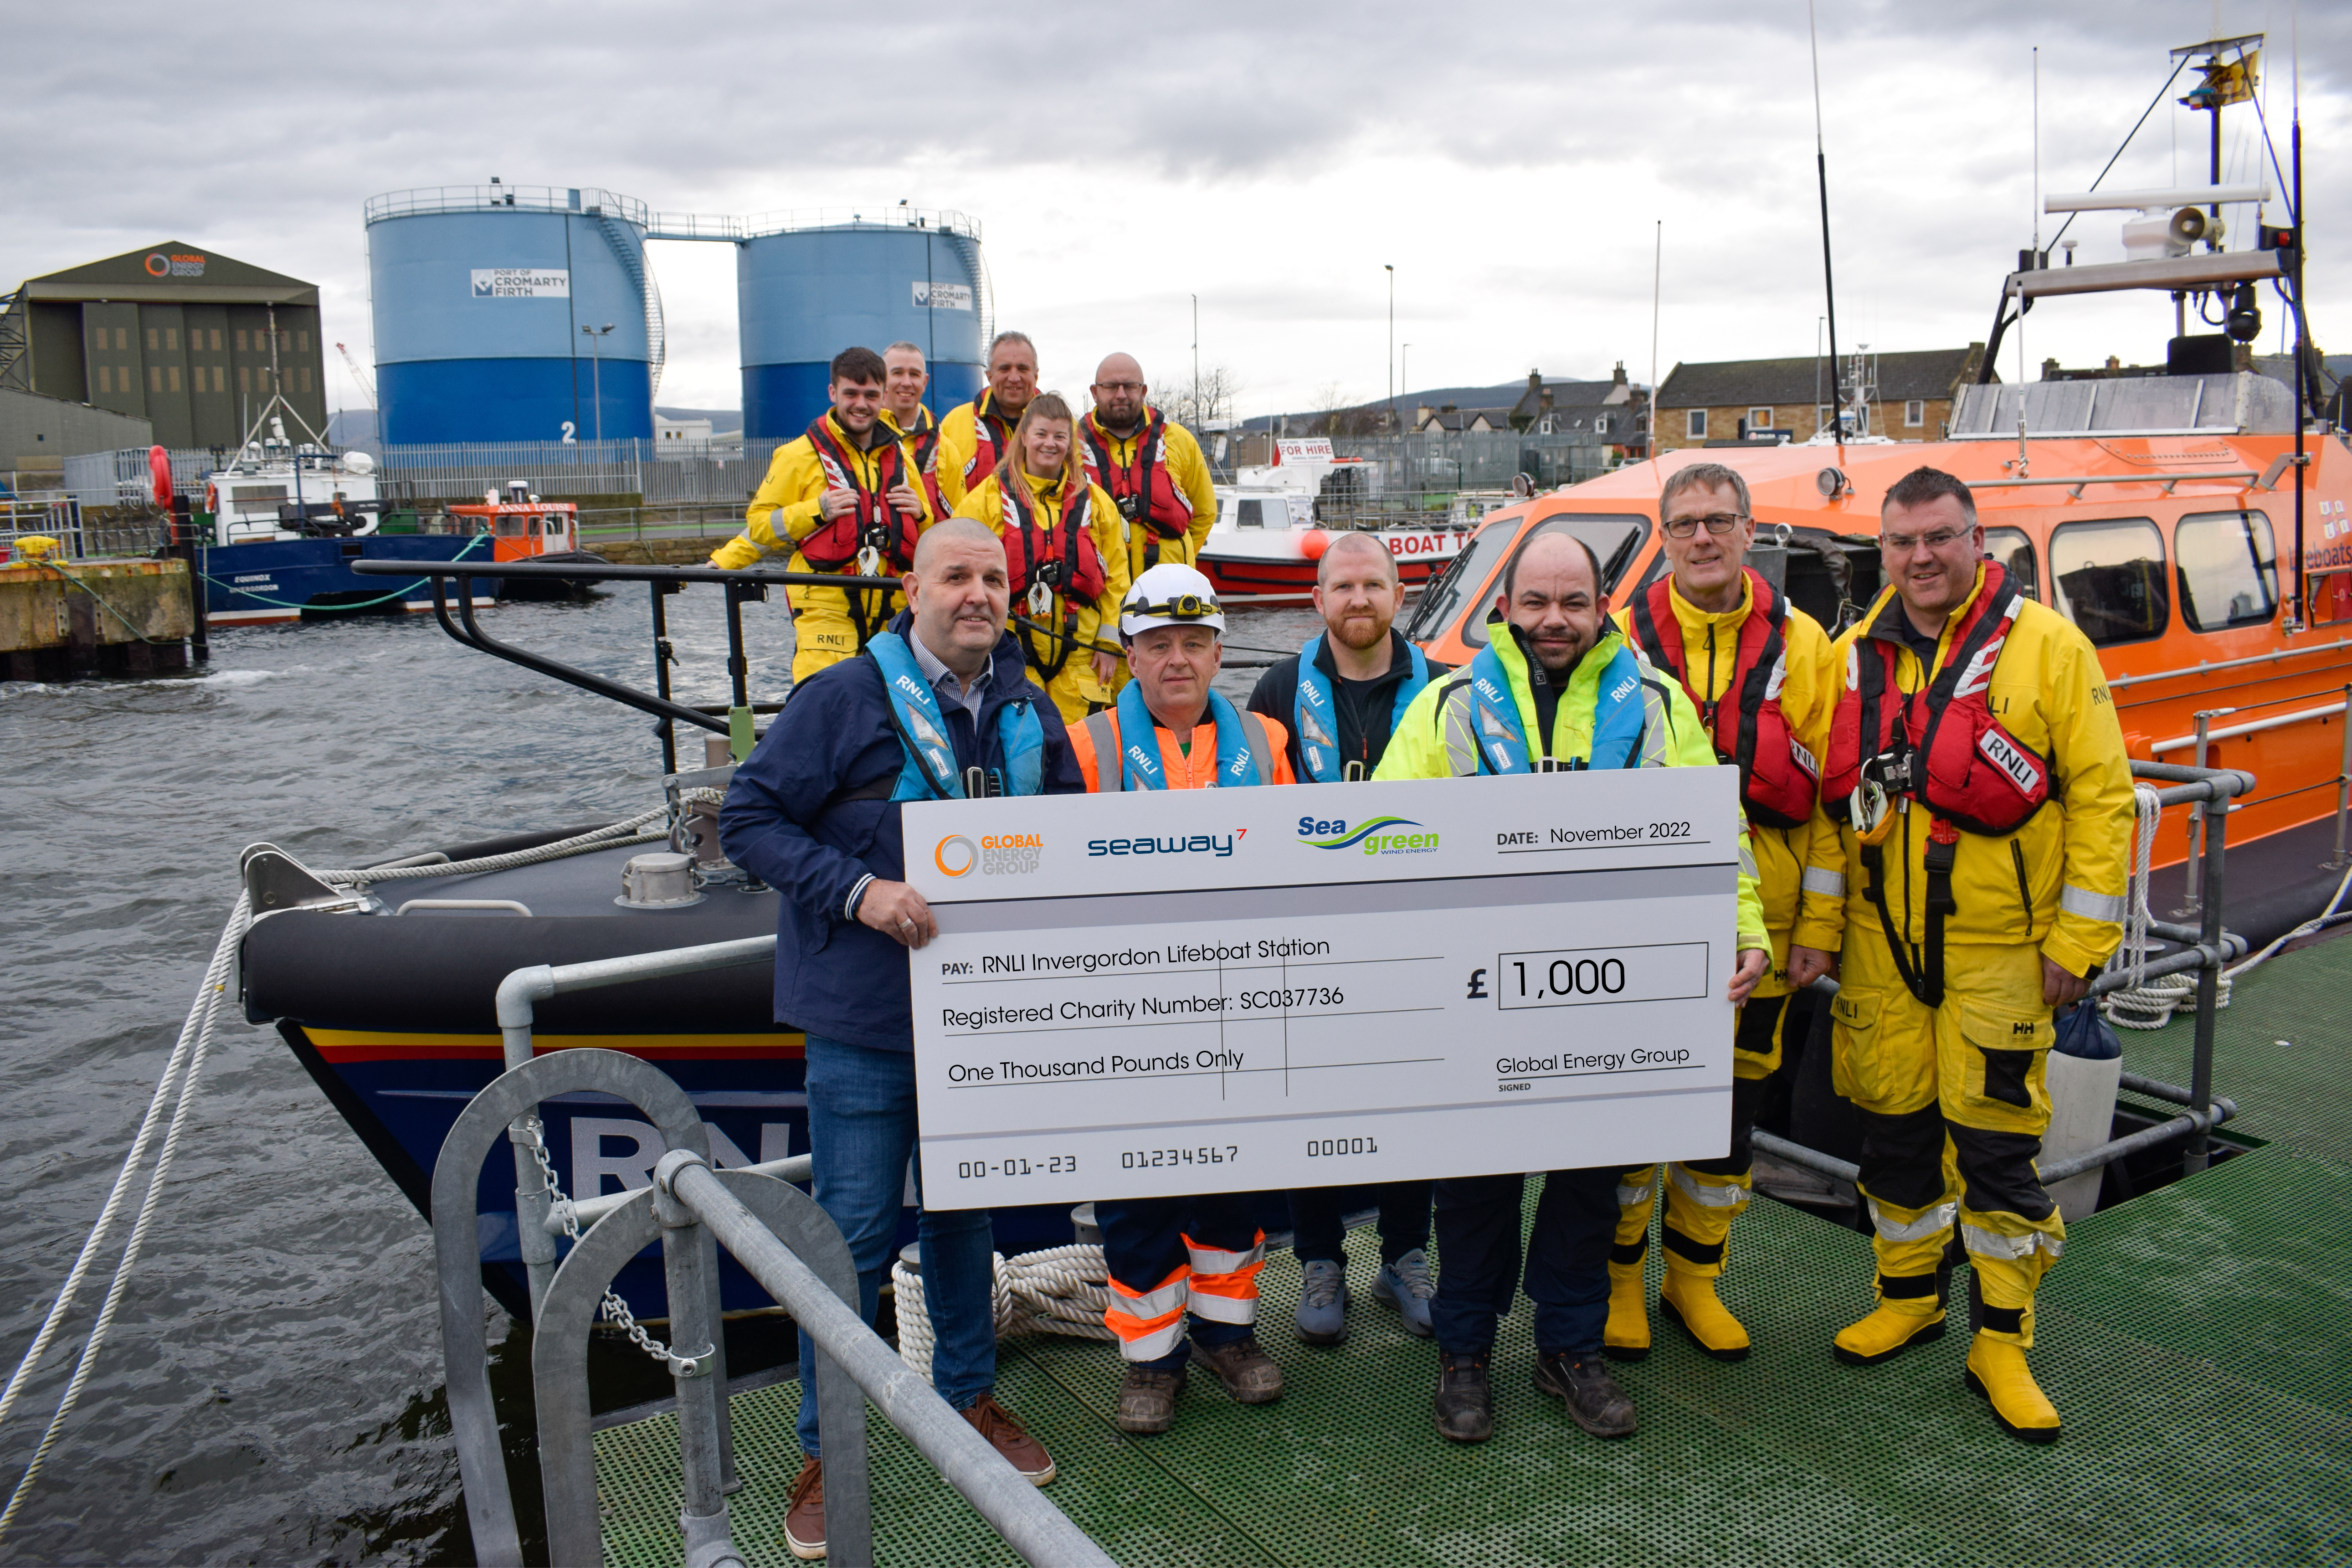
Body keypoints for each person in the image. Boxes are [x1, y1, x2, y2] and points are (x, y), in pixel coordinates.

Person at [719, 517, 1082, 1558]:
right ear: (910, 588)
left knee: (966, 1219)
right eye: (956, 576)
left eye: (994, 578)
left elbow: (1066, 833)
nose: (978, 593)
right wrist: (858, 886)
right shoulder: (839, 700)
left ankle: (966, 1397)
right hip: (866, 1020)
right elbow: (747, 818)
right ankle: (825, 1442)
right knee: (854, 1233)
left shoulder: (1025, 703)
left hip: (981, 1017)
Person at [1375, 530, 1769, 1445]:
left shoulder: (1662, 707)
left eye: (1574, 602)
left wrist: (1744, 928)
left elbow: (1720, 830)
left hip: (1611, 996)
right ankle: (1464, 1354)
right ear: (1503, 608)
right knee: (1472, 1182)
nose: (1555, 620)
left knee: (1589, 1178)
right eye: (1537, 602)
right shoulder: (1446, 708)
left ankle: (1569, 1347)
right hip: (1477, 993)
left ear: (1602, 609)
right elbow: (1385, 838)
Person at [1789, 466, 2131, 1444]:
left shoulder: (2051, 650)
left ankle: (2003, 1338)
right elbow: (1827, 808)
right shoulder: (1857, 655)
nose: (1921, 557)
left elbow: (2104, 803)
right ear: (1882, 552)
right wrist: (1821, 927)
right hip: (1882, 948)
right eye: (1900, 543)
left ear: (1978, 539)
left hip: (2002, 951)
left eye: (1939, 536)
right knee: (1891, 1131)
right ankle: (1908, 1294)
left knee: (1995, 1149)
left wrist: (2077, 940)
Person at [1601, 462, 1844, 1365]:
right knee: (1631, 1109)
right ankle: (1620, 1278)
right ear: (1663, 539)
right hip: (1646, 925)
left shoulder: (1808, 645)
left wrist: (1817, 925)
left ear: (1749, 531)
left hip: (1764, 930)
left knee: (1728, 1116)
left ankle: (1693, 1278)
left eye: (1719, 520)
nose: (1702, 537)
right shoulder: (1616, 643)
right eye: (1685, 523)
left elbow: (1829, 797)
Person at [1067, 563, 1298, 1435]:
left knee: (1233, 1189)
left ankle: (1227, 1337)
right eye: (1158, 644)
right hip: (1128, 1014)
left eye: (1194, 643)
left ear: (1218, 651)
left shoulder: (1270, 743)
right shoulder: (1086, 746)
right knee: (1136, 1195)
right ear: (1129, 656)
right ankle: (1151, 1360)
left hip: (1240, 1002)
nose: (1178, 660)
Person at [1245, 531, 1443, 1344]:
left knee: (1412, 1096)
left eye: (1373, 585)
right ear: (1317, 598)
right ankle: (1320, 1261)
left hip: (1412, 931)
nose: (1358, 599)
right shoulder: (1278, 686)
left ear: (1399, 594)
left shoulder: (1446, 688)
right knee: (1309, 1099)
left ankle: (1405, 1253)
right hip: (1308, 933)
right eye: (1342, 586)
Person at [710, 346, 933, 683]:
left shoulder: (901, 457)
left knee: (893, 725)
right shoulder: (797, 455)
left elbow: (931, 535)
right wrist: (817, 510)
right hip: (826, 618)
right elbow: (760, 524)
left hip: (895, 619)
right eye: (851, 393)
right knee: (824, 714)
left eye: (871, 395)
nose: (861, 404)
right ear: (833, 393)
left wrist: (921, 513)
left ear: (884, 396)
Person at [954, 391, 1129, 722]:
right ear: (1024, 437)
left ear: (1070, 443)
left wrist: (1110, 642)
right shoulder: (985, 500)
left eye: (1060, 436)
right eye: (1041, 434)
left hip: (1083, 656)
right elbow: (957, 569)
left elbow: (1118, 575)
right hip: (1009, 654)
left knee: (1082, 757)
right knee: (1018, 754)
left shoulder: (1097, 502)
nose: (1050, 444)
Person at [1081, 353, 1220, 583]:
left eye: (1130, 386)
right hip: (1104, 596)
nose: (1121, 395)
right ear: (1095, 393)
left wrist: (1179, 559)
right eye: (1111, 386)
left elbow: (1205, 513)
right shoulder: (1072, 448)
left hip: (1170, 594)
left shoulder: (1180, 440)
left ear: (1144, 391)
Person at [938, 331, 1038, 509]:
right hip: (971, 534)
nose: (1014, 378)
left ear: (1036, 376)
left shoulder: (1063, 427)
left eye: (1023, 369)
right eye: (1004, 369)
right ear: (989, 375)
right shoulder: (954, 423)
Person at [879, 339, 950, 519]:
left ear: (925, 381)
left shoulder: (946, 450)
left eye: (914, 374)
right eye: (897, 373)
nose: (906, 382)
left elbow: (955, 519)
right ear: (881, 378)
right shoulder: (858, 438)